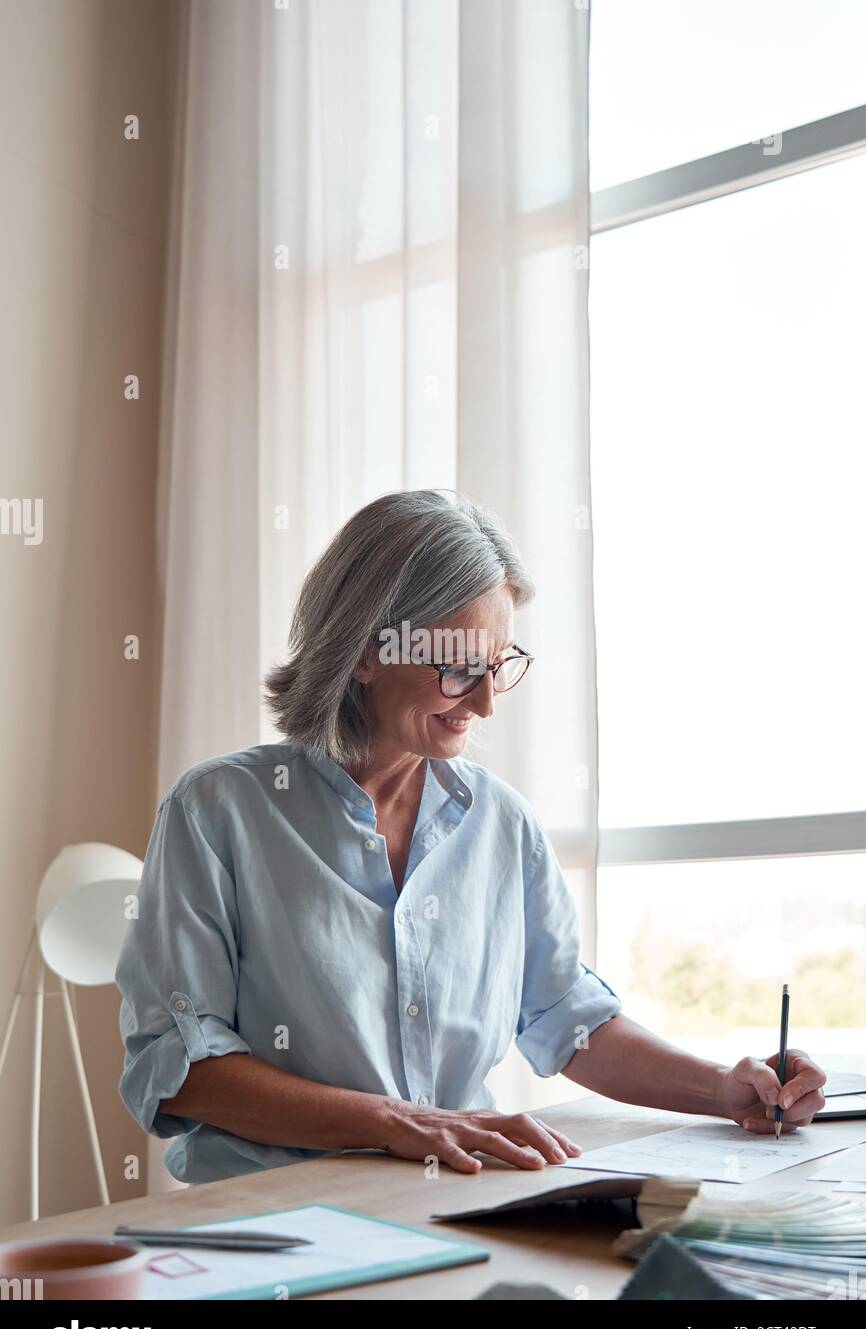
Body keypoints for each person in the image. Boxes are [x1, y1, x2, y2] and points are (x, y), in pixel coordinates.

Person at [116, 489, 826, 1183]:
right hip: (271, 1217)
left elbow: (563, 1015)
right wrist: (401, 1122)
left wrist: (727, 1089)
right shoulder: (219, 811)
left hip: (450, 1197)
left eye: (497, 666)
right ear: (365, 652)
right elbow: (181, 1072)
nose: (485, 701)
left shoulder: (501, 823)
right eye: (458, 668)